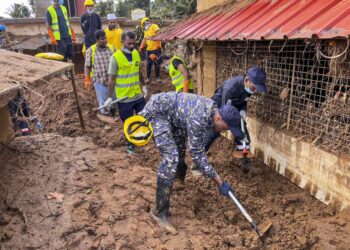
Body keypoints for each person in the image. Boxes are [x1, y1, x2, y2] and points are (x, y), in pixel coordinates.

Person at [138, 92, 242, 233]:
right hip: (158, 113)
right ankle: (158, 212)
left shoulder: (211, 111)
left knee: (180, 147)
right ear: (218, 117)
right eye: (224, 128)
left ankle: (175, 181)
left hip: (174, 117)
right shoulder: (199, 118)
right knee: (171, 157)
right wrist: (219, 182)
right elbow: (197, 155)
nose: (224, 131)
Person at [105, 31, 148, 154]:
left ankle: (141, 138)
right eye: (129, 43)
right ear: (122, 41)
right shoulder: (115, 58)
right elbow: (111, 80)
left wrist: (144, 85)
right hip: (124, 98)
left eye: (134, 43)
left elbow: (138, 71)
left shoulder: (135, 53)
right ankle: (129, 145)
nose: (132, 46)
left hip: (137, 95)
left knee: (143, 118)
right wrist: (109, 97)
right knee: (128, 123)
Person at [84, 30, 115, 116]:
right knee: (103, 100)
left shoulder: (112, 48)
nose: (105, 40)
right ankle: (104, 115)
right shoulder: (91, 50)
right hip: (99, 80)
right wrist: (87, 79)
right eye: (102, 39)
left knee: (113, 99)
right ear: (97, 40)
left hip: (112, 80)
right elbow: (87, 66)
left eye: (105, 38)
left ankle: (113, 114)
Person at [139, 18, 161, 82]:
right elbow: (144, 39)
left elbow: (159, 33)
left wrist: (153, 37)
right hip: (149, 50)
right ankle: (148, 78)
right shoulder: (146, 30)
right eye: (144, 23)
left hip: (156, 49)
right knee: (148, 64)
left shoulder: (154, 26)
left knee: (157, 64)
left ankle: (157, 77)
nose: (146, 23)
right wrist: (141, 47)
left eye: (146, 22)